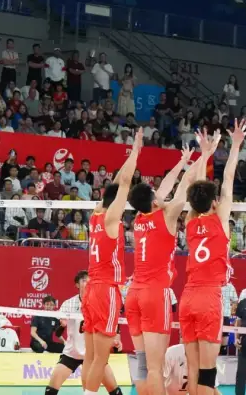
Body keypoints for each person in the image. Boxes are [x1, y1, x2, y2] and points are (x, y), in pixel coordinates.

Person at [126, 130, 220, 395]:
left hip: (133, 294)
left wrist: (182, 161)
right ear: (153, 200)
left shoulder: (140, 218)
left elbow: (165, 188)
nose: (159, 192)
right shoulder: (165, 216)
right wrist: (203, 155)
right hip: (154, 294)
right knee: (155, 368)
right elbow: (186, 186)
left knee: (143, 365)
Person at [180, 119, 246, 395]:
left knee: (193, 370)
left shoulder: (189, 222)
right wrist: (236, 145)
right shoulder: (220, 221)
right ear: (213, 202)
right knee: (208, 374)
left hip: (187, 296)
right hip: (209, 298)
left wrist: (205, 153)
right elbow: (228, 180)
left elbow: (196, 188)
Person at [81, 128, 144, 395]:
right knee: (101, 359)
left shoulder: (95, 214)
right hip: (106, 290)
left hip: (91, 289)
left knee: (90, 356)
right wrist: (136, 150)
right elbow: (125, 182)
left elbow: (117, 184)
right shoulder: (110, 219)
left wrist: (132, 154)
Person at [44, 270, 123, 395]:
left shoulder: (100, 303)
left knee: (115, 390)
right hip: (72, 353)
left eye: (89, 280)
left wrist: (116, 339)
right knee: (50, 390)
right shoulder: (68, 304)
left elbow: (114, 324)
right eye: (84, 280)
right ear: (77, 284)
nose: (87, 283)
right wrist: (62, 325)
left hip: (93, 355)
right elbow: (58, 333)